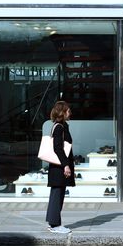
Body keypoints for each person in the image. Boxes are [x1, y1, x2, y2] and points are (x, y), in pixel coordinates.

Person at [46, 100, 75, 234]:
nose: (70, 112)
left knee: (58, 194)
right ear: (62, 112)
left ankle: (54, 223)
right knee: (57, 195)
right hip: (59, 166)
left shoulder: (63, 126)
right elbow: (58, 148)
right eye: (68, 110)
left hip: (59, 166)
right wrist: (66, 166)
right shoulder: (59, 127)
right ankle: (55, 225)